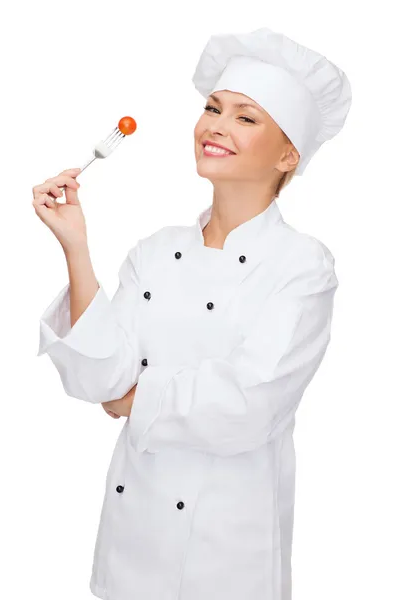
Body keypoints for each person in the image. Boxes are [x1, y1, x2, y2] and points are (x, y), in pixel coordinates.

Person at [32, 26, 352, 600]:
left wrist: (136, 399)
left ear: (288, 154)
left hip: (228, 557)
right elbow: (96, 378)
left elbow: (248, 405)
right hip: (130, 548)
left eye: (246, 117)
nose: (216, 126)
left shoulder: (302, 266)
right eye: (212, 108)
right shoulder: (155, 251)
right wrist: (76, 246)